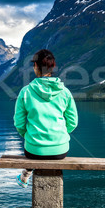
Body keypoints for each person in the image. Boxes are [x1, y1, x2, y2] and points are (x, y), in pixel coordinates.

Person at [13, 49, 78, 187]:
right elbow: (73, 121)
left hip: (33, 150)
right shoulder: (65, 92)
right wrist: (60, 134)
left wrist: (28, 135)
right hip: (60, 150)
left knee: (32, 152)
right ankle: (26, 174)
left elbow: (19, 123)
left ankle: (25, 175)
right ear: (53, 67)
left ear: (35, 66)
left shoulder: (25, 91)